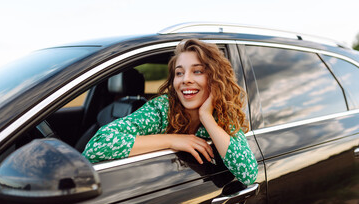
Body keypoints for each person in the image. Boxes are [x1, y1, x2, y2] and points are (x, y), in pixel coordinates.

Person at [83, 39, 258, 185]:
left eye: (197, 71)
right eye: (179, 73)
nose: (186, 79)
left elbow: (248, 174)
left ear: (215, 79)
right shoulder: (161, 109)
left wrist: (206, 118)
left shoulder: (222, 114)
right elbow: (96, 146)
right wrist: (172, 140)